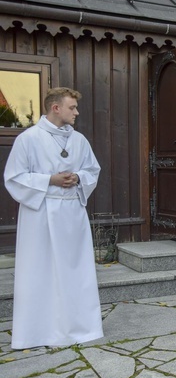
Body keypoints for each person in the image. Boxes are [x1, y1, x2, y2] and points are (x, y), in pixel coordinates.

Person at [4, 87, 102, 349]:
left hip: (72, 214)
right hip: (41, 215)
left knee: (75, 272)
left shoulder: (79, 140)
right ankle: (39, 332)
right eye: (72, 107)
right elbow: (14, 177)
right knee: (41, 272)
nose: (77, 112)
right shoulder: (29, 139)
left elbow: (92, 169)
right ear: (55, 108)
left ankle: (81, 327)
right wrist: (50, 179)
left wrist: (79, 177)